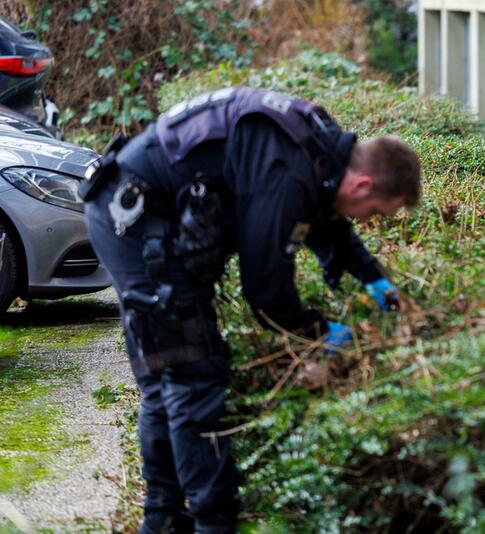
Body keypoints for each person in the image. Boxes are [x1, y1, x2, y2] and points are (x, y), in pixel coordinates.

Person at [80, 87, 422, 533]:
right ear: (362, 184)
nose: (366, 220)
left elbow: (327, 213)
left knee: (176, 379)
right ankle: (205, 524)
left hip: (156, 215)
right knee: (189, 376)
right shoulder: (287, 169)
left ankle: (164, 520)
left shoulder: (321, 146)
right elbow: (265, 291)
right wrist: (318, 330)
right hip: (132, 220)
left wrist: (372, 275)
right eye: (373, 210)